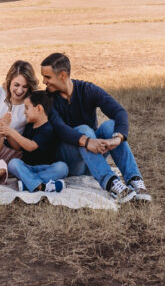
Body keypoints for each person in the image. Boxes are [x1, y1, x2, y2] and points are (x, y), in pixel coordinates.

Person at [40, 52, 151, 204]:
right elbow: (60, 129)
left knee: (110, 126)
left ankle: (134, 181)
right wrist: (86, 141)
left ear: (63, 75)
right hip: (70, 162)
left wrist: (117, 139)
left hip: (94, 157)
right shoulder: (48, 99)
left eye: (47, 77)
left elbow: (119, 112)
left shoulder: (87, 89)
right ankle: (111, 183)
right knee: (84, 129)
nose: (44, 81)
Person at [0, 90, 68, 194]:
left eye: (27, 108)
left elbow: (31, 146)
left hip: (46, 168)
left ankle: (29, 184)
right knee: (13, 163)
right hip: (28, 168)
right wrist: (8, 135)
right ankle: (43, 185)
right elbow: (18, 147)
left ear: (39, 108)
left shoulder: (48, 129)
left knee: (62, 167)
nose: (24, 112)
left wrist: (12, 132)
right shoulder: (29, 126)